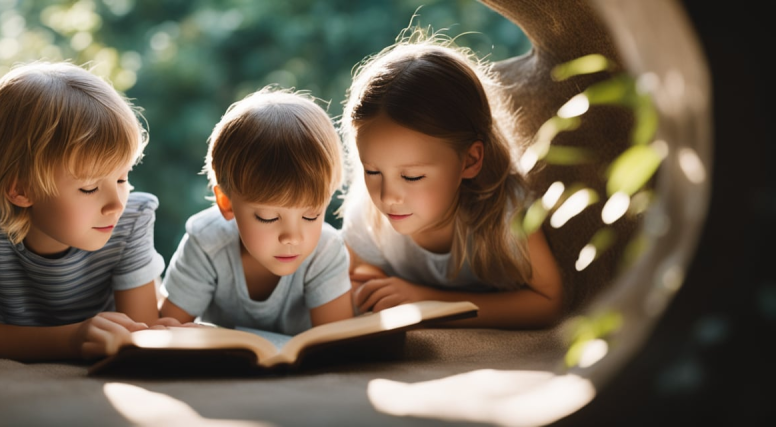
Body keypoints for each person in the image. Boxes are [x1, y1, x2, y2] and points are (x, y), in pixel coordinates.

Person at [0, 61, 176, 361]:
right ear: (21, 190)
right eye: (89, 188)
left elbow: (141, 332)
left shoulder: (131, 220)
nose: (116, 204)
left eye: (123, 178)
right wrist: (70, 340)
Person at [338, 32, 564, 329]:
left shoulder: (505, 212)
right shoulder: (366, 217)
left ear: (469, 161)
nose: (388, 195)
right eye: (373, 171)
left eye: (412, 176)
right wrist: (368, 287)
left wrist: (427, 301)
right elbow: (351, 280)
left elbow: (549, 302)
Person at [159, 86, 355, 335]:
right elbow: (166, 329)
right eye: (269, 217)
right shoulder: (206, 243)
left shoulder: (325, 251)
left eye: (311, 215)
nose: (292, 237)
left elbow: (337, 343)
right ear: (226, 202)